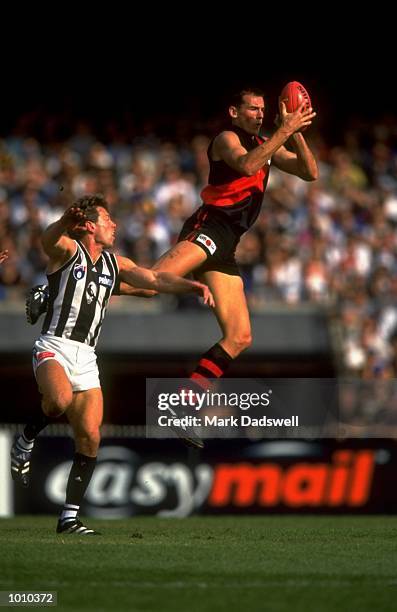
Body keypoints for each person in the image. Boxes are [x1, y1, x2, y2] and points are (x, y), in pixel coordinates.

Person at [10, 194, 214, 535]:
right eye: (108, 219)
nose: (115, 224)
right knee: (58, 401)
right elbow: (48, 239)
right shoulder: (67, 251)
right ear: (90, 226)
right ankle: (26, 438)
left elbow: (154, 280)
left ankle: (69, 519)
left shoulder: (114, 263)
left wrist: (191, 287)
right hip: (54, 347)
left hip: (87, 357)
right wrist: (64, 220)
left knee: (90, 437)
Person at [146, 86, 318, 444]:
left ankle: (183, 404)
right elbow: (247, 165)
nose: (259, 113)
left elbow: (310, 172)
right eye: (252, 108)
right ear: (234, 112)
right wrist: (284, 131)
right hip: (208, 227)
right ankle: (73, 279)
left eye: (263, 109)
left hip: (227, 243)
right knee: (151, 283)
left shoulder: (267, 142)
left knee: (240, 337)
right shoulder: (228, 138)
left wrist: (296, 133)